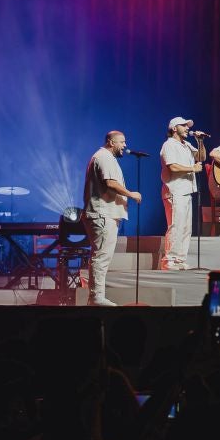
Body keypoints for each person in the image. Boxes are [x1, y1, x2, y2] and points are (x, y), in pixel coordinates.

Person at [83, 130, 140, 307]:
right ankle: (96, 298)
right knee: (101, 256)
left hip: (105, 213)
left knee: (102, 256)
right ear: (110, 141)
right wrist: (131, 194)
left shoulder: (105, 157)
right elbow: (110, 183)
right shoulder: (104, 157)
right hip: (102, 214)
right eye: (121, 142)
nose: (125, 145)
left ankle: (96, 297)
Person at [159, 117, 207, 270]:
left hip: (186, 190)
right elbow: (172, 166)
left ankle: (180, 259)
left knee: (186, 227)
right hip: (175, 190)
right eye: (184, 125)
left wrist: (200, 141)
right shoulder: (169, 145)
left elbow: (201, 157)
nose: (187, 128)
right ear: (174, 128)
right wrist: (192, 168)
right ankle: (169, 260)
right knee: (176, 225)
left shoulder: (186, 144)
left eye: (188, 126)